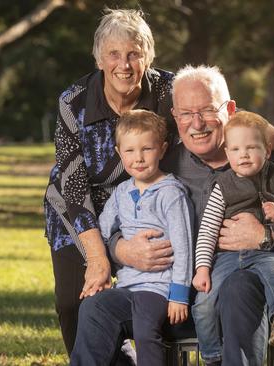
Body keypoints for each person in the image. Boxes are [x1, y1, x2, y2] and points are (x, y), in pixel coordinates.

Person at [75, 64, 274, 366]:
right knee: (98, 307)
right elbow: (120, 215)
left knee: (238, 288)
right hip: (178, 299)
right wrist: (121, 249)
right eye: (186, 113)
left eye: (206, 111)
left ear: (229, 110)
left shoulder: (273, 164)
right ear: (175, 116)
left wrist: (267, 237)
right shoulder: (162, 163)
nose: (196, 123)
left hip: (266, 292)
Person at [42, 8, 176, 359]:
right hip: (79, 212)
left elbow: (217, 111)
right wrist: (100, 257)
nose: (124, 64)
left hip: (146, 208)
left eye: (134, 53)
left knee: (143, 302)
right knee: (75, 303)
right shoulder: (74, 102)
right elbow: (73, 185)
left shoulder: (169, 91)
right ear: (99, 58)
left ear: (148, 56)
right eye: (114, 54)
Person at [70, 110, 194, 365]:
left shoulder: (171, 193)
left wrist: (179, 294)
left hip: (158, 288)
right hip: (126, 287)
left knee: (145, 330)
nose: (138, 158)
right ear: (119, 153)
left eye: (146, 149)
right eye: (130, 151)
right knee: (94, 307)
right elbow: (102, 231)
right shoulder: (121, 193)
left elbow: (184, 248)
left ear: (162, 149)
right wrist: (101, 263)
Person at [192, 111, 274, 365]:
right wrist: (202, 268)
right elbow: (208, 231)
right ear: (227, 153)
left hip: (266, 253)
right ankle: (212, 354)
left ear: (267, 151)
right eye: (235, 149)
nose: (243, 154)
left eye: (251, 147)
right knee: (203, 303)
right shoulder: (222, 186)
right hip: (227, 258)